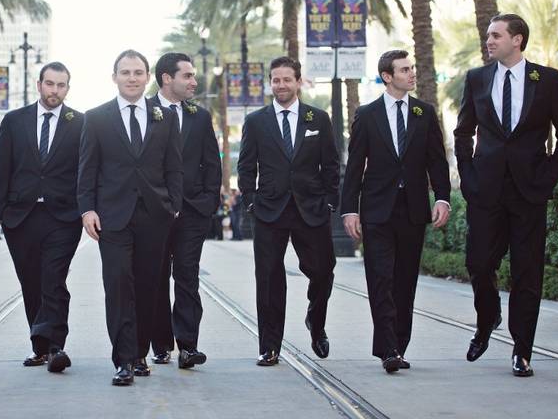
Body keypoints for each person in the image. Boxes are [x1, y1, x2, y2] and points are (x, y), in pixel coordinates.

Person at [455, 13, 558, 377]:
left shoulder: (548, 80)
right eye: (488, 36)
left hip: (529, 192)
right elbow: (463, 132)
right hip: (485, 191)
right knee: (478, 264)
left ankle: (522, 351)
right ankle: (488, 316)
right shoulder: (477, 78)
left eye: (495, 35)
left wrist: (549, 175)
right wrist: (468, 175)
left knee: (527, 274)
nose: (489, 41)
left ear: (517, 40)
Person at [340, 50, 451, 373]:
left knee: (405, 281)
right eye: (404, 69)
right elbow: (355, 166)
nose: (411, 73)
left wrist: (442, 198)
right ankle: (387, 347)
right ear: (388, 76)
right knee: (380, 279)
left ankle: (399, 345)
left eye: (412, 68)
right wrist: (350, 210)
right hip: (376, 211)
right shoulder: (367, 114)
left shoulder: (424, 112)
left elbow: (436, 161)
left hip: (414, 211)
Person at [77, 49, 182, 386]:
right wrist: (87, 209)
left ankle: (138, 354)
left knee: (150, 288)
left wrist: (173, 206)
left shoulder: (165, 116)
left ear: (147, 76)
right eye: (126, 72)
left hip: (155, 216)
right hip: (112, 218)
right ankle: (122, 360)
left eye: (138, 72)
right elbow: (87, 169)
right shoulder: (95, 118)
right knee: (119, 285)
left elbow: (173, 167)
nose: (132, 78)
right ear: (114, 78)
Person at [237, 56, 339, 366]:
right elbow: (246, 165)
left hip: (311, 209)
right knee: (268, 279)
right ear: (270, 82)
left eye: (286, 79)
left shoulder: (318, 119)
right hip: (269, 211)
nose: (281, 85)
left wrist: (330, 201)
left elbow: (331, 164)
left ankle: (316, 322)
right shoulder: (256, 121)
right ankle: (270, 347)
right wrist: (251, 200)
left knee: (323, 270)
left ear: (298, 82)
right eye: (275, 80)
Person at [0, 62, 83, 373]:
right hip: (20, 216)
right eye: (50, 84)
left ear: (68, 88)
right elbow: (0, 168)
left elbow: (87, 171)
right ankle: (40, 347)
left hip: (63, 216)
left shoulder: (80, 123)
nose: (54, 90)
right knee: (31, 280)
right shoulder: (14, 121)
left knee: (53, 279)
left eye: (61, 85)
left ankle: (57, 346)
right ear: (39, 84)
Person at [147, 53, 221, 369]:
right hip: (153, 213)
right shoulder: (143, 112)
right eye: (187, 76)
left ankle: (188, 346)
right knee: (155, 278)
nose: (194, 81)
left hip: (193, 212)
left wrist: (206, 203)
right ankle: (161, 345)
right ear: (167, 78)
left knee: (187, 275)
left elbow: (211, 164)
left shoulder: (200, 117)